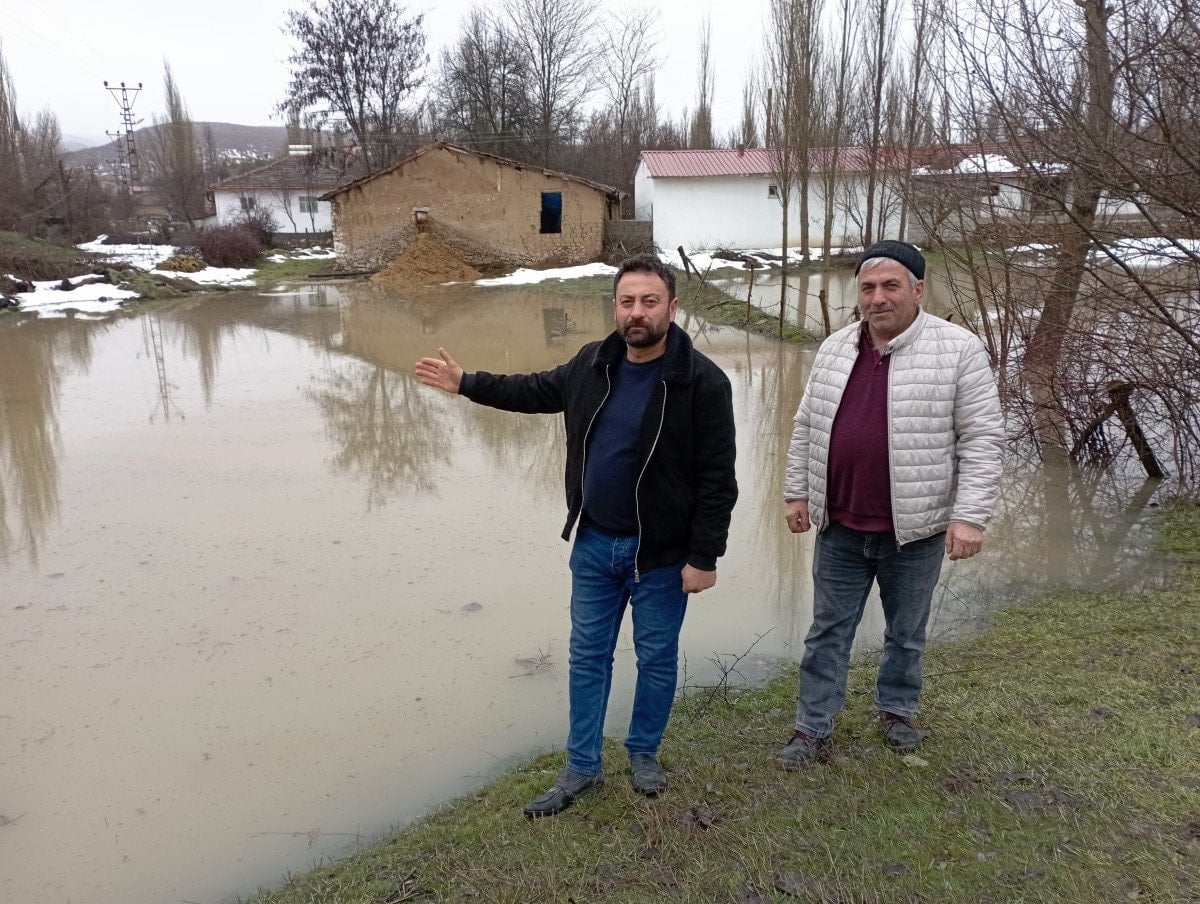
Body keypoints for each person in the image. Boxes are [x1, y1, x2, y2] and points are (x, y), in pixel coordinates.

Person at [415, 253, 738, 816]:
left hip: (661, 555)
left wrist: (704, 556)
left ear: (672, 308)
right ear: (615, 307)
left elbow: (718, 478)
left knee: (656, 658)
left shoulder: (702, 382)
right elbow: (533, 390)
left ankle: (643, 752)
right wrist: (467, 383)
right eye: (627, 301)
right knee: (588, 657)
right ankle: (582, 766)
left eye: (650, 301)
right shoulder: (593, 363)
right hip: (594, 544)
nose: (637, 312)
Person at [777, 240, 1004, 768]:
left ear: (917, 290)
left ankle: (898, 711)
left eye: (890, 286)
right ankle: (812, 727)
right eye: (868, 288)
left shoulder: (959, 350)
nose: (877, 298)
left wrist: (969, 516)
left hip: (915, 531)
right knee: (827, 633)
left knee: (906, 633)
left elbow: (982, 438)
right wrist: (796, 492)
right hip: (839, 525)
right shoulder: (835, 348)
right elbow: (806, 425)